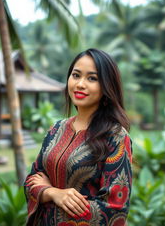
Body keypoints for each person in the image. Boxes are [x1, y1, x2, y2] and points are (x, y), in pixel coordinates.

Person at [24, 48, 132, 226]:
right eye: (76, 75)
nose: (80, 84)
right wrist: (53, 193)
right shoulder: (56, 129)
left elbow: (114, 210)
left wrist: (51, 199)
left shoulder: (115, 136)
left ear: (107, 86)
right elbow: (31, 180)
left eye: (92, 78)